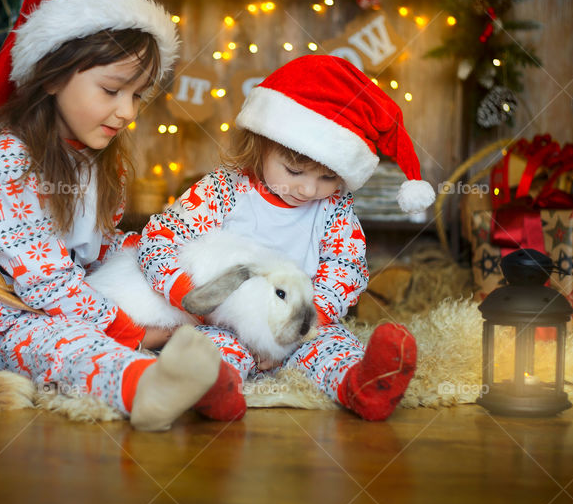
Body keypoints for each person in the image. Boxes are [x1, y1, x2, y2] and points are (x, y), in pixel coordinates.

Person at [0, 0, 238, 439]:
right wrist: (138, 333)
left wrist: (164, 266)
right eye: (112, 91)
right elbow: (47, 279)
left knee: (72, 346)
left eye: (138, 95)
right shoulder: (8, 156)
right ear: (52, 77)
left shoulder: (104, 169)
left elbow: (100, 258)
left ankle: (145, 389)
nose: (128, 112)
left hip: (27, 317)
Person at [138, 54, 436, 421]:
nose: (310, 189)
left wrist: (303, 326)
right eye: (294, 170)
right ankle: (215, 390)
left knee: (334, 348)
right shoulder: (224, 189)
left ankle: (362, 386)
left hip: (301, 325)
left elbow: (345, 268)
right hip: (229, 324)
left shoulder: (333, 208)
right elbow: (159, 242)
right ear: (262, 142)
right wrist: (191, 298)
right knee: (211, 350)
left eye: (328, 178)